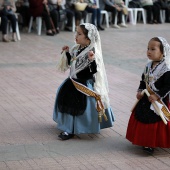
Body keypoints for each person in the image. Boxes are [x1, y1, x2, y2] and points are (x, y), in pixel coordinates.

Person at [53, 23, 114, 140]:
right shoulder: (76, 48)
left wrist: (91, 60)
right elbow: (72, 63)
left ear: (88, 38)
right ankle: (68, 127)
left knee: (77, 105)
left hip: (84, 84)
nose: (76, 36)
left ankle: (71, 129)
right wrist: (66, 53)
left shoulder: (92, 52)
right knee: (68, 103)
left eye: (80, 34)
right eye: (76, 33)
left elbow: (94, 71)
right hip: (72, 82)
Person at [126, 37, 170, 154]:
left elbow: (168, 86)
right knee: (141, 118)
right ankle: (143, 141)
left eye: (153, 49)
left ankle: (151, 143)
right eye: (148, 48)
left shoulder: (166, 69)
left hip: (159, 100)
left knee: (155, 122)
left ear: (162, 52)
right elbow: (143, 81)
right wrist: (140, 90)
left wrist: (158, 96)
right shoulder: (148, 66)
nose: (149, 51)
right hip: (147, 98)